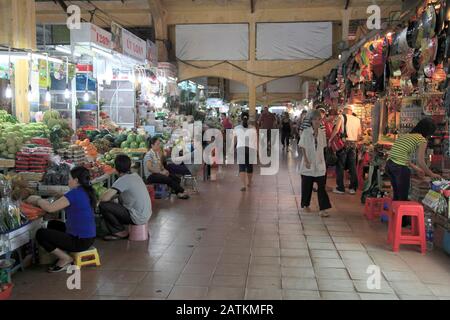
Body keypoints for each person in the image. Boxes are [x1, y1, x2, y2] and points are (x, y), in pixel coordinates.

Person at [26, 167, 96, 272]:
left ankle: (65, 258)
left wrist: (37, 200)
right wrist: (58, 195)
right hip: (87, 237)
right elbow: (70, 201)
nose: (68, 181)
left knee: (41, 234)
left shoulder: (74, 193)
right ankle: (63, 252)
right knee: (51, 224)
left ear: (76, 181)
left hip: (79, 241)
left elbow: (50, 208)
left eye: (69, 179)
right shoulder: (85, 191)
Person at [386, 118, 442, 202]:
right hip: (399, 168)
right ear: (427, 132)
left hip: (389, 165)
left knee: (397, 196)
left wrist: (416, 168)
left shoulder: (406, 135)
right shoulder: (421, 139)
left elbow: (401, 156)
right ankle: (402, 215)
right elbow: (421, 161)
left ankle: (395, 214)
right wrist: (432, 174)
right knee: (403, 199)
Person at [99, 154, 152, 241]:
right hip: (146, 214)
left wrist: (101, 197)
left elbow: (104, 198)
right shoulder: (135, 175)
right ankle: (121, 227)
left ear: (115, 168)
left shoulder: (123, 180)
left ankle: (119, 231)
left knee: (103, 205)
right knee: (115, 200)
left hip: (137, 217)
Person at [298, 110, 331, 217]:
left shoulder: (322, 132)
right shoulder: (306, 131)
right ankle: (306, 204)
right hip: (309, 163)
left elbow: (323, 147)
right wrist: (306, 160)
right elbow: (302, 146)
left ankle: (323, 208)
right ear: (311, 120)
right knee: (307, 186)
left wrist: (322, 160)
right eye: (315, 119)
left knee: (321, 186)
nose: (317, 121)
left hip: (320, 163)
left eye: (319, 119)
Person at [328, 105, 362, 195]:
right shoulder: (357, 119)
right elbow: (360, 134)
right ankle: (353, 188)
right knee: (352, 166)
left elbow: (336, 129)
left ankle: (340, 188)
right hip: (353, 144)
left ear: (346, 110)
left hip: (344, 144)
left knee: (340, 166)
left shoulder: (341, 117)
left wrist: (330, 139)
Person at [234, 112, 258, 192]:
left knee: (242, 167)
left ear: (241, 118)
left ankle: (243, 185)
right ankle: (249, 182)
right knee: (250, 166)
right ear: (248, 118)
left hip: (240, 148)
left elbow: (235, 140)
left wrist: (233, 148)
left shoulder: (237, 128)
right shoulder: (253, 128)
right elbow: (255, 140)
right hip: (250, 149)